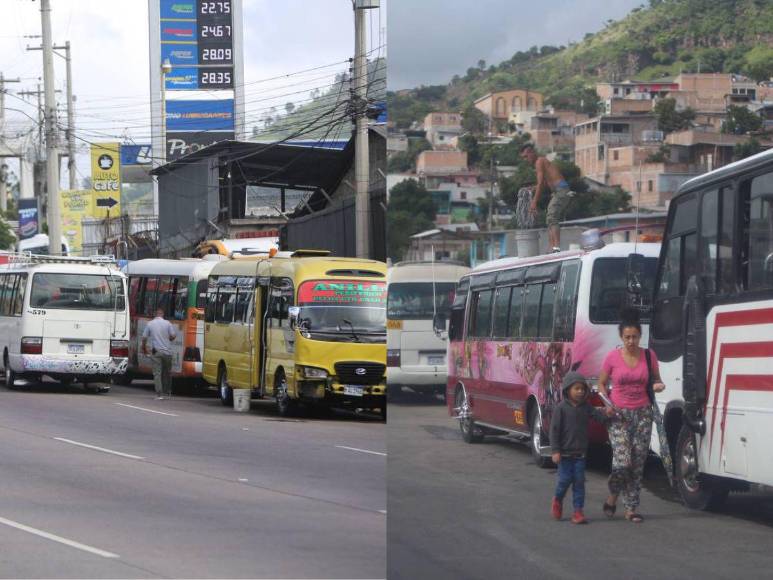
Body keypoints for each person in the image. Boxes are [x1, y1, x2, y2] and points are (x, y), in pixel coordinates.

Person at [597, 309, 666, 523]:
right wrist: (606, 404)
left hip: (643, 414)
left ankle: (630, 508)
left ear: (640, 336)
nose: (631, 341)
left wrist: (658, 385)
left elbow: (656, 379)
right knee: (623, 460)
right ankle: (613, 495)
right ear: (621, 337)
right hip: (618, 415)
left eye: (634, 336)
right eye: (627, 337)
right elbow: (600, 384)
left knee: (637, 462)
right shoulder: (612, 357)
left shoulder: (649, 356)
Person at [550, 371, 614, 524]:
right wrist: (555, 451)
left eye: (582, 389)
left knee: (579, 482)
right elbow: (554, 431)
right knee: (565, 480)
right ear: (567, 390)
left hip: (580, 454)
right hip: (564, 454)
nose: (580, 392)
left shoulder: (586, 407)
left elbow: (598, 417)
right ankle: (558, 499)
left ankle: (578, 511)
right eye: (576, 389)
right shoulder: (561, 408)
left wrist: (608, 414)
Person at [520, 143, 574, 252]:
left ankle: (556, 247)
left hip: (561, 191)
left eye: (526, 156)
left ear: (532, 152)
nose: (526, 159)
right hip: (558, 192)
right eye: (523, 158)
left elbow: (540, 183)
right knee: (549, 219)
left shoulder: (539, 162)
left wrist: (534, 202)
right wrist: (533, 188)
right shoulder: (541, 163)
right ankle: (551, 247)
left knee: (552, 217)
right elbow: (543, 183)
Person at [142, 307, 177, 400]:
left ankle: (159, 394)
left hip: (156, 352)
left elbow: (144, 338)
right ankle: (168, 392)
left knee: (157, 373)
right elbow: (173, 336)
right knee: (167, 373)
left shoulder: (150, 324)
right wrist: (168, 340)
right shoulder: (168, 323)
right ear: (162, 314)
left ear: (155, 314)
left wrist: (144, 348)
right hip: (167, 352)